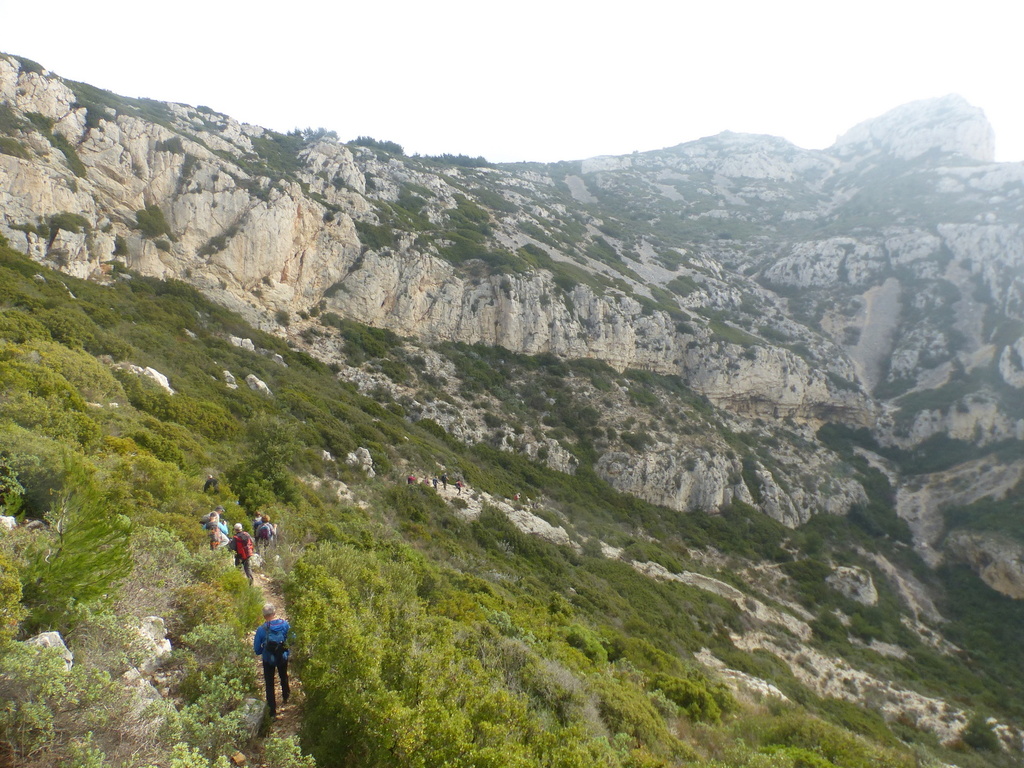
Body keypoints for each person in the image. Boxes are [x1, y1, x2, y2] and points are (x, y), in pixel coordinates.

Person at [253, 603, 290, 719]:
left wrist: (263, 651)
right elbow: (292, 638)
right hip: (282, 656)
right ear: (274, 613)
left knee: (269, 684)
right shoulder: (285, 625)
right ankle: (286, 697)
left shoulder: (261, 629)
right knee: (283, 676)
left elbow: (257, 649)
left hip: (268, 659)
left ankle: (272, 711)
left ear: (264, 616)